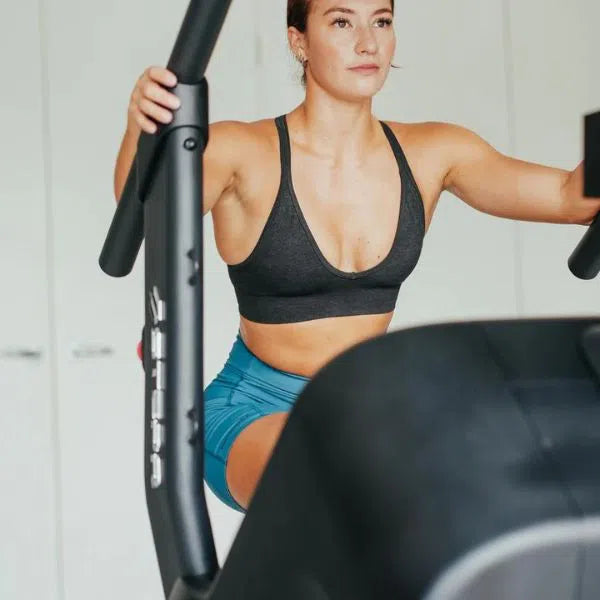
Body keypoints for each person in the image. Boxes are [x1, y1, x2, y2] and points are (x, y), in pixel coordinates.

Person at [114, 0, 600, 513]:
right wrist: (139, 128)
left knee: (499, 470)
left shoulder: (433, 151)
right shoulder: (242, 151)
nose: (367, 42)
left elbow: (572, 197)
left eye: (382, 22)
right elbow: (144, 218)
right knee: (339, 471)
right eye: (342, 22)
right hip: (253, 410)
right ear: (298, 40)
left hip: (362, 407)